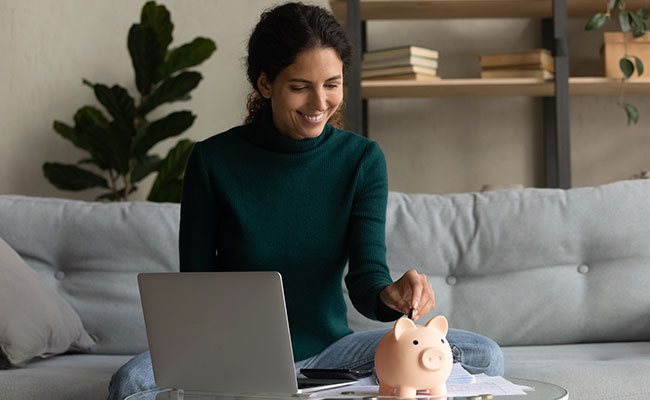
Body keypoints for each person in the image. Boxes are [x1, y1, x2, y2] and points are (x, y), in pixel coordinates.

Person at [107, 3, 503, 399]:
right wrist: (217, 356)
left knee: (482, 355)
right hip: (235, 355)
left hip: (333, 353)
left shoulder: (362, 160)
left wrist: (392, 295)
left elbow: (366, 280)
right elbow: (194, 286)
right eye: (300, 87)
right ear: (265, 84)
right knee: (131, 383)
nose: (319, 104)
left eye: (332, 84)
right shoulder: (212, 161)